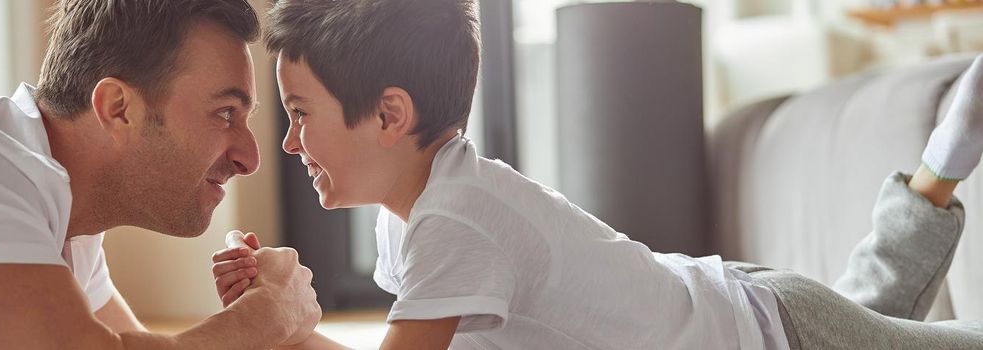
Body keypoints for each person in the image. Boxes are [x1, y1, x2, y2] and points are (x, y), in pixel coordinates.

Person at [211, 0, 983, 348]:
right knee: (869, 308)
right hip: (754, 311)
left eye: (300, 113)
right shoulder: (419, 210)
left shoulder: (453, 220)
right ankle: (940, 166)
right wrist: (279, 321)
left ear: (388, 115)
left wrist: (281, 316)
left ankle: (943, 162)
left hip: (769, 333)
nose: (286, 143)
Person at [0, 0, 322, 349]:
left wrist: (279, 325)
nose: (250, 156)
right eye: (225, 113)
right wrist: (266, 314)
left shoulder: (65, 220)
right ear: (118, 108)